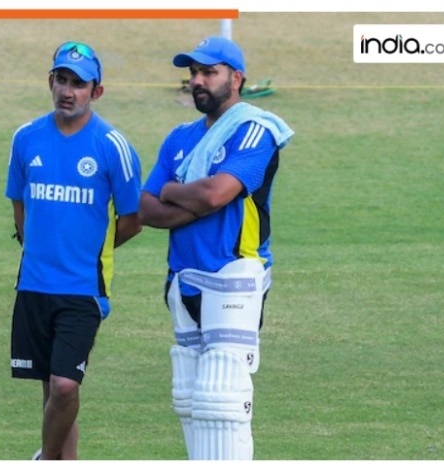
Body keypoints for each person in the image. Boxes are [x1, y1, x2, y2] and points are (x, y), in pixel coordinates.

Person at [138, 36, 294, 460]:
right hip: (183, 277)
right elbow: (147, 209)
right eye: (193, 74)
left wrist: (174, 189)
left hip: (233, 273)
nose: (197, 81)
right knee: (191, 400)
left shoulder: (254, 129)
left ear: (236, 78)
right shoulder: (178, 138)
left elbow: (217, 193)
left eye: (209, 72)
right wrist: (189, 197)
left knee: (222, 399)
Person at [4, 41, 143, 460]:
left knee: (66, 387)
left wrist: (87, 251)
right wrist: (44, 249)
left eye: (78, 84)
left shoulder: (112, 146)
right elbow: (19, 208)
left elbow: (132, 220)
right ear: (50, 81)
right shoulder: (26, 139)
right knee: (52, 389)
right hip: (34, 285)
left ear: (95, 92)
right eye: (62, 80)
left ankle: (45, 460)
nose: (68, 90)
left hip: (83, 288)